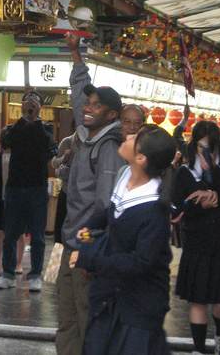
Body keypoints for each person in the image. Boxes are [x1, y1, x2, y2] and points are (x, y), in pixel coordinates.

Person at [70, 124, 176, 355]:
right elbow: (110, 211)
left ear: (140, 158)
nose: (127, 136)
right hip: (110, 296)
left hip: (138, 307)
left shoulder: (154, 210)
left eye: (135, 138)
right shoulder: (126, 175)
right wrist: (88, 229)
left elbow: (141, 263)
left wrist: (89, 256)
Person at [56, 34, 125, 355]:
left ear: (112, 115)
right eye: (89, 102)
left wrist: (90, 249)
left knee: (87, 317)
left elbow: (105, 203)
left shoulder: (108, 148)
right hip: (70, 242)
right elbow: (78, 91)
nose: (87, 107)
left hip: (86, 247)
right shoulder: (85, 136)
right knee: (67, 317)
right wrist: (75, 53)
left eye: (97, 105)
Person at [172, 120, 220, 355]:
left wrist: (215, 190)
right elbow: (178, 208)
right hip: (196, 243)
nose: (206, 153)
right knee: (197, 300)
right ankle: (198, 349)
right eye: (201, 147)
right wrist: (199, 203)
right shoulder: (185, 172)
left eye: (211, 147)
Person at [0, 91, 58, 292]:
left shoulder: (46, 128)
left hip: (37, 188)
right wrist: (24, 119)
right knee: (11, 233)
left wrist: (35, 119)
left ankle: (35, 274)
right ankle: (8, 273)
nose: (30, 106)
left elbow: (47, 146)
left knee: (37, 235)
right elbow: (7, 142)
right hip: (14, 188)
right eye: (27, 103)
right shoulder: (13, 128)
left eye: (35, 103)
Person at [0, 132, 25, 276]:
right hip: (1, 199)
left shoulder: (20, 158)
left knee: (20, 232)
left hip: (17, 199)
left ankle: (18, 263)